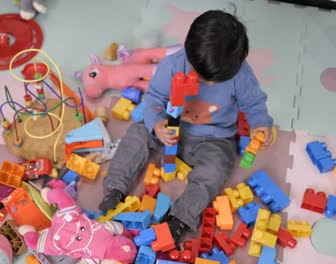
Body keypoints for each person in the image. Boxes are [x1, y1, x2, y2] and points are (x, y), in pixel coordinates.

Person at [98, 10, 274, 245]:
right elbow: (153, 99)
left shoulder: (240, 74)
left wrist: (261, 124)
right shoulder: (172, 65)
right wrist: (157, 124)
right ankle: (115, 188)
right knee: (138, 132)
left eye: (213, 80)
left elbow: (254, 103)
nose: (205, 83)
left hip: (213, 138)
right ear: (189, 54)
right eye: (200, 76)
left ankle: (180, 218)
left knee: (217, 167)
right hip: (170, 129)